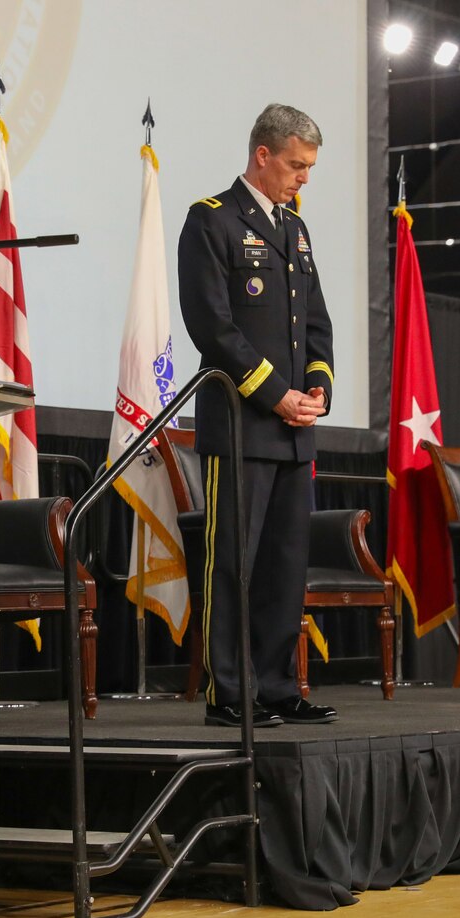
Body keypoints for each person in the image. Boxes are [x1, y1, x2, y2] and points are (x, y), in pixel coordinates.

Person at [177, 103, 336, 728]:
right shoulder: (211, 221)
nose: (303, 178)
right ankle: (230, 692)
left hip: (296, 430)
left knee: (284, 567)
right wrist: (276, 394)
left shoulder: (295, 230)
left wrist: (318, 388)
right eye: (296, 165)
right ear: (262, 155)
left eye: (310, 168)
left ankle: (275, 686)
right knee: (234, 565)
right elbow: (211, 326)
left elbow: (316, 322)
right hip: (244, 423)